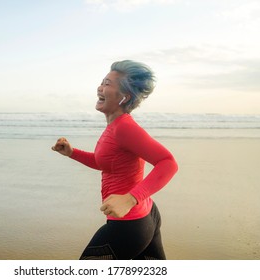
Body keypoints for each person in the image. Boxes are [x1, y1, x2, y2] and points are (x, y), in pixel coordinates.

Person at [51, 60, 178, 260]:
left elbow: (168, 162)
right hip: (145, 215)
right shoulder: (115, 126)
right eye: (102, 82)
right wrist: (71, 152)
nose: (100, 87)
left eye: (108, 84)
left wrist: (130, 198)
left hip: (130, 226)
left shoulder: (124, 128)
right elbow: (106, 164)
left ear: (124, 97)